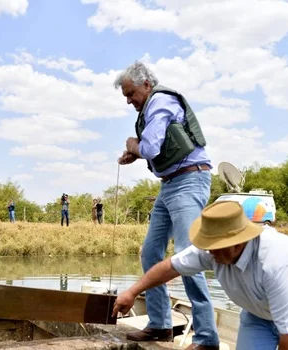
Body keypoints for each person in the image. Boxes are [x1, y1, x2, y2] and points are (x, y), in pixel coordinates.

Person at [113, 201, 288, 350]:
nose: (210, 251)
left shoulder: (275, 262)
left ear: (239, 242)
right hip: (258, 315)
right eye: (208, 245)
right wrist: (132, 291)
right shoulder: (212, 252)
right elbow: (169, 268)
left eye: (216, 246)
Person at [114, 61, 218, 348]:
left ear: (146, 85)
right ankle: (160, 324)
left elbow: (149, 147)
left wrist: (133, 146)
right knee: (150, 252)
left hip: (188, 182)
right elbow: (154, 150)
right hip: (169, 184)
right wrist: (135, 154)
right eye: (125, 95)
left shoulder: (160, 101)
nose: (128, 100)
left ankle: (207, 338)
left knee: (188, 255)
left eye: (131, 93)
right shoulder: (150, 106)